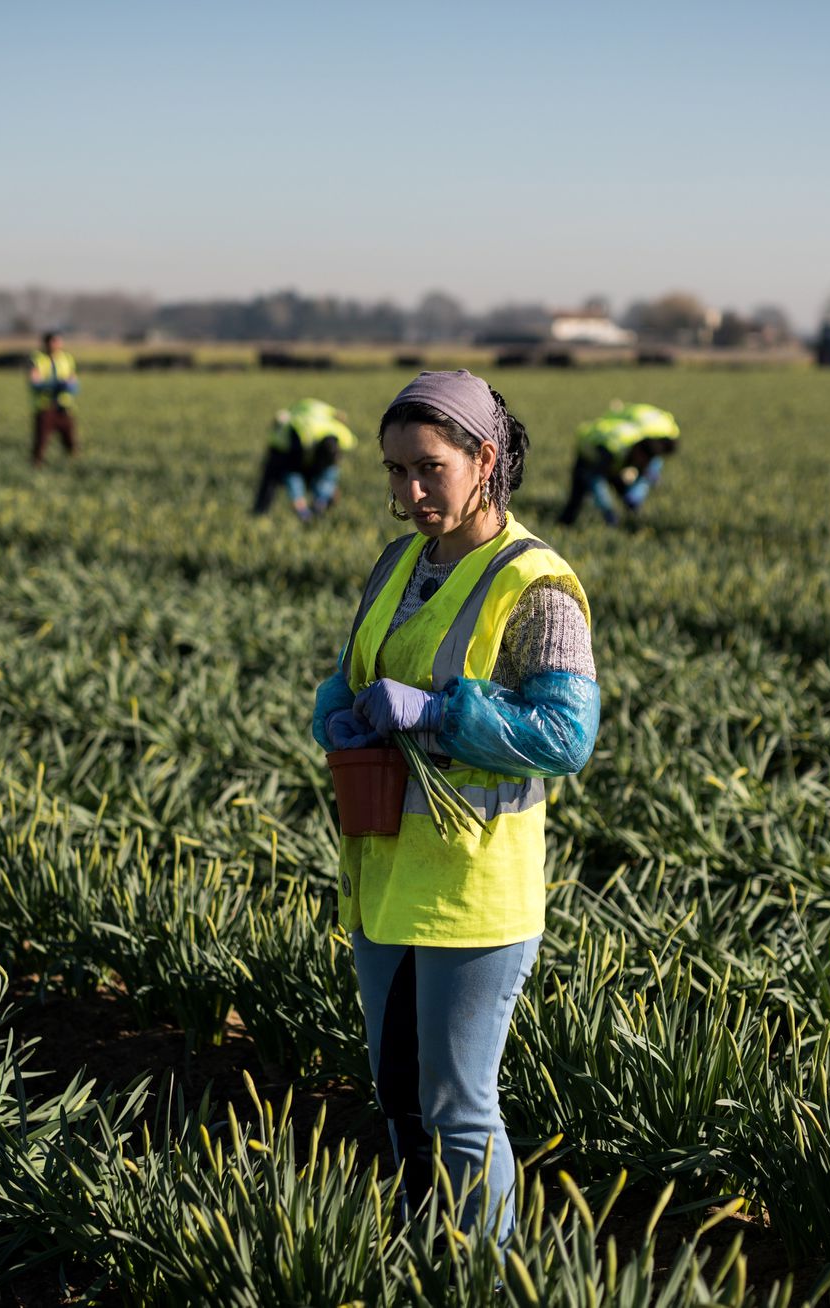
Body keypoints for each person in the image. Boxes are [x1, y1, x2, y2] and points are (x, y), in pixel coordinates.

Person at [312, 370, 600, 1242]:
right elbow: (357, 665)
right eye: (395, 473)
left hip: (475, 888)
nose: (408, 493)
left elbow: (564, 736)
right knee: (398, 1095)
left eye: (427, 469)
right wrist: (335, 705)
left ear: (484, 458)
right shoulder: (400, 560)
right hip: (385, 865)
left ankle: (489, 1273)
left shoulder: (537, 585)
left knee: (458, 1105)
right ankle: (421, 1252)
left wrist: (439, 714)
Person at [556, 400, 680, 527]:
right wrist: (608, 510)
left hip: (615, 456)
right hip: (590, 455)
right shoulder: (614, 448)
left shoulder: (647, 441)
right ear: (639, 453)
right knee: (577, 497)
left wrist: (646, 480)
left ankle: (631, 515)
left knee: (624, 487)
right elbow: (596, 480)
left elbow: (649, 467)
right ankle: (565, 524)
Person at [254, 398, 357, 521]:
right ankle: (317, 505)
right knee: (323, 475)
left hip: (297, 442)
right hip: (295, 447)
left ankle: (309, 507)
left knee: (305, 474)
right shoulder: (333, 429)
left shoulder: (339, 433)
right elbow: (292, 472)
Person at [27, 330, 81, 467]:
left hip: (64, 407)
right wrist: (55, 386)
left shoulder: (67, 358)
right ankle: (36, 466)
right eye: (53, 342)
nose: (56, 345)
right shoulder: (37, 359)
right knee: (41, 442)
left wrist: (69, 386)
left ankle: (74, 466)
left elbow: (73, 381)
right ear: (46, 343)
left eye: (58, 341)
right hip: (45, 407)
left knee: (71, 442)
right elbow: (34, 382)